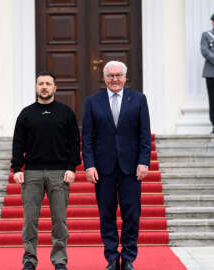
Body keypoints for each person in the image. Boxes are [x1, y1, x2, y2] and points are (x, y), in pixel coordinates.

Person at [82, 61, 151, 270]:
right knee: (107, 214)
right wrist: (89, 165)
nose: (114, 79)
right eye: (111, 76)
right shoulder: (93, 102)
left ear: (125, 77)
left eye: (118, 75)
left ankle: (128, 257)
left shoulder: (138, 99)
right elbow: (87, 136)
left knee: (132, 214)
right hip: (103, 169)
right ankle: (112, 257)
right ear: (104, 78)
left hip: (131, 168)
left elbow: (144, 134)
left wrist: (143, 161)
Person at [11, 71, 81, 270]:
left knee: (59, 220)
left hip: (59, 173)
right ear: (36, 87)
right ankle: (29, 260)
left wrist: (71, 167)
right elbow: (18, 143)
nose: (44, 87)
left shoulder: (65, 112)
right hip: (31, 173)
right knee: (30, 221)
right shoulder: (26, 114)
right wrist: (17, 168)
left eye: (48, 83)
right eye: (40, 83)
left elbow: (75, 143)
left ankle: (59, 260)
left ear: (54, 88)